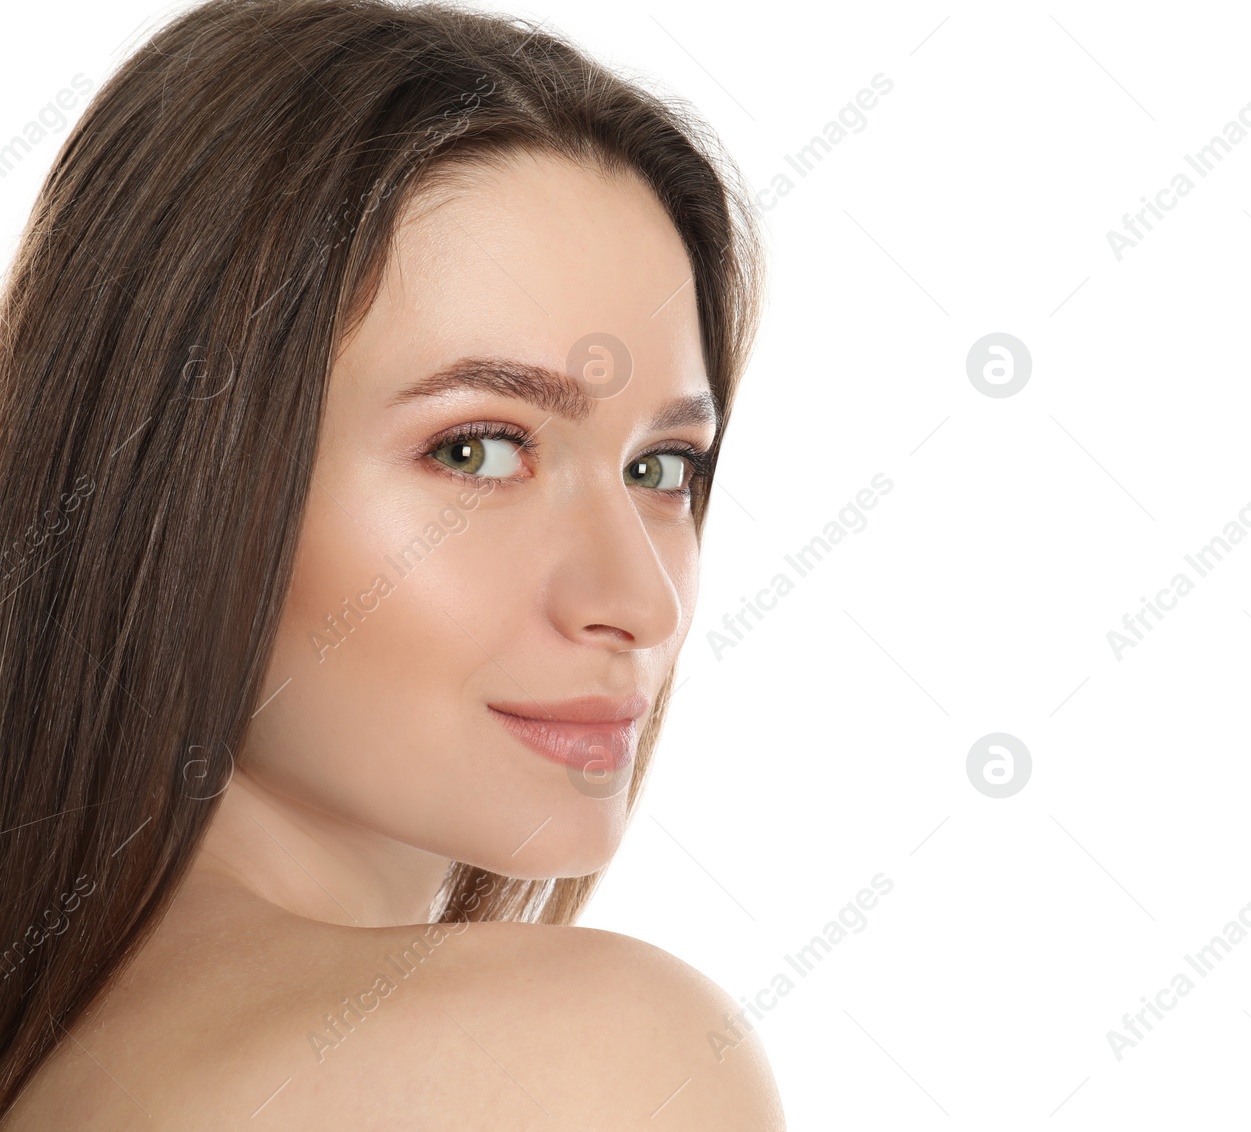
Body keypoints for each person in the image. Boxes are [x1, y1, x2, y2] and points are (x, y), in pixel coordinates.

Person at [0, 1, 780, 1127]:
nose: (638, 602)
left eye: (662, 468)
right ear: (176, 477)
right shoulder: (591, 1059)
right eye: (477, 449)